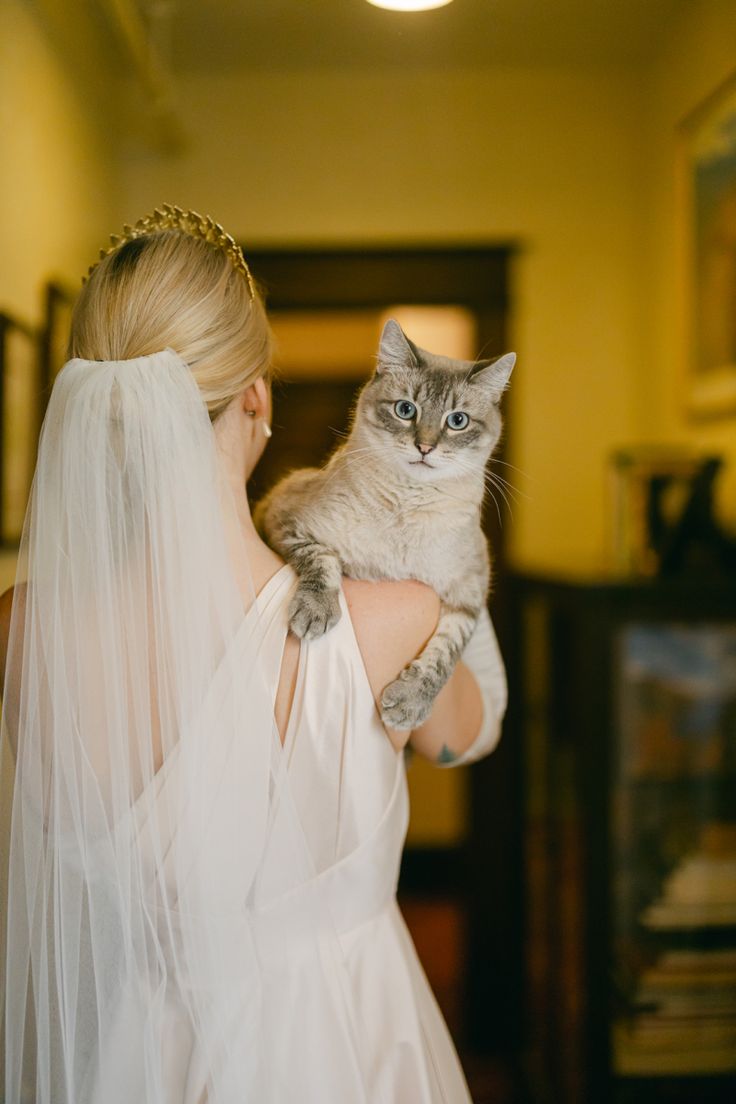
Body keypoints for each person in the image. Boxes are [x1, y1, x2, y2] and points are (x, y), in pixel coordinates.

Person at [0, 207, 507, 1103]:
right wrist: (437, 544)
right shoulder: (393, 620)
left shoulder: (16, 628)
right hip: (341, 1055)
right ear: (258, 399)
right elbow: (468, 732)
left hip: (125, 1061)